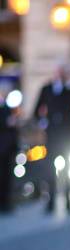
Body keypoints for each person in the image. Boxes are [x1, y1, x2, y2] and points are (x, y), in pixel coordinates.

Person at [33, 62, 70, 214]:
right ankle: (51, 203)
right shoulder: (47, 88)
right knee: (50, 171)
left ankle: (68, 202)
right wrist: (43, 122)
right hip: (52, 135)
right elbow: (36, 109)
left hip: (67, 136)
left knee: (67, 170)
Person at [0, 83, 19, 214]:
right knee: (4, 177)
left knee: (7, 177)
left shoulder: (7, 107)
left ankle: (6, 203)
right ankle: (4, 203)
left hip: (8, 148)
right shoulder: (4, 109)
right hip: (3, 148)